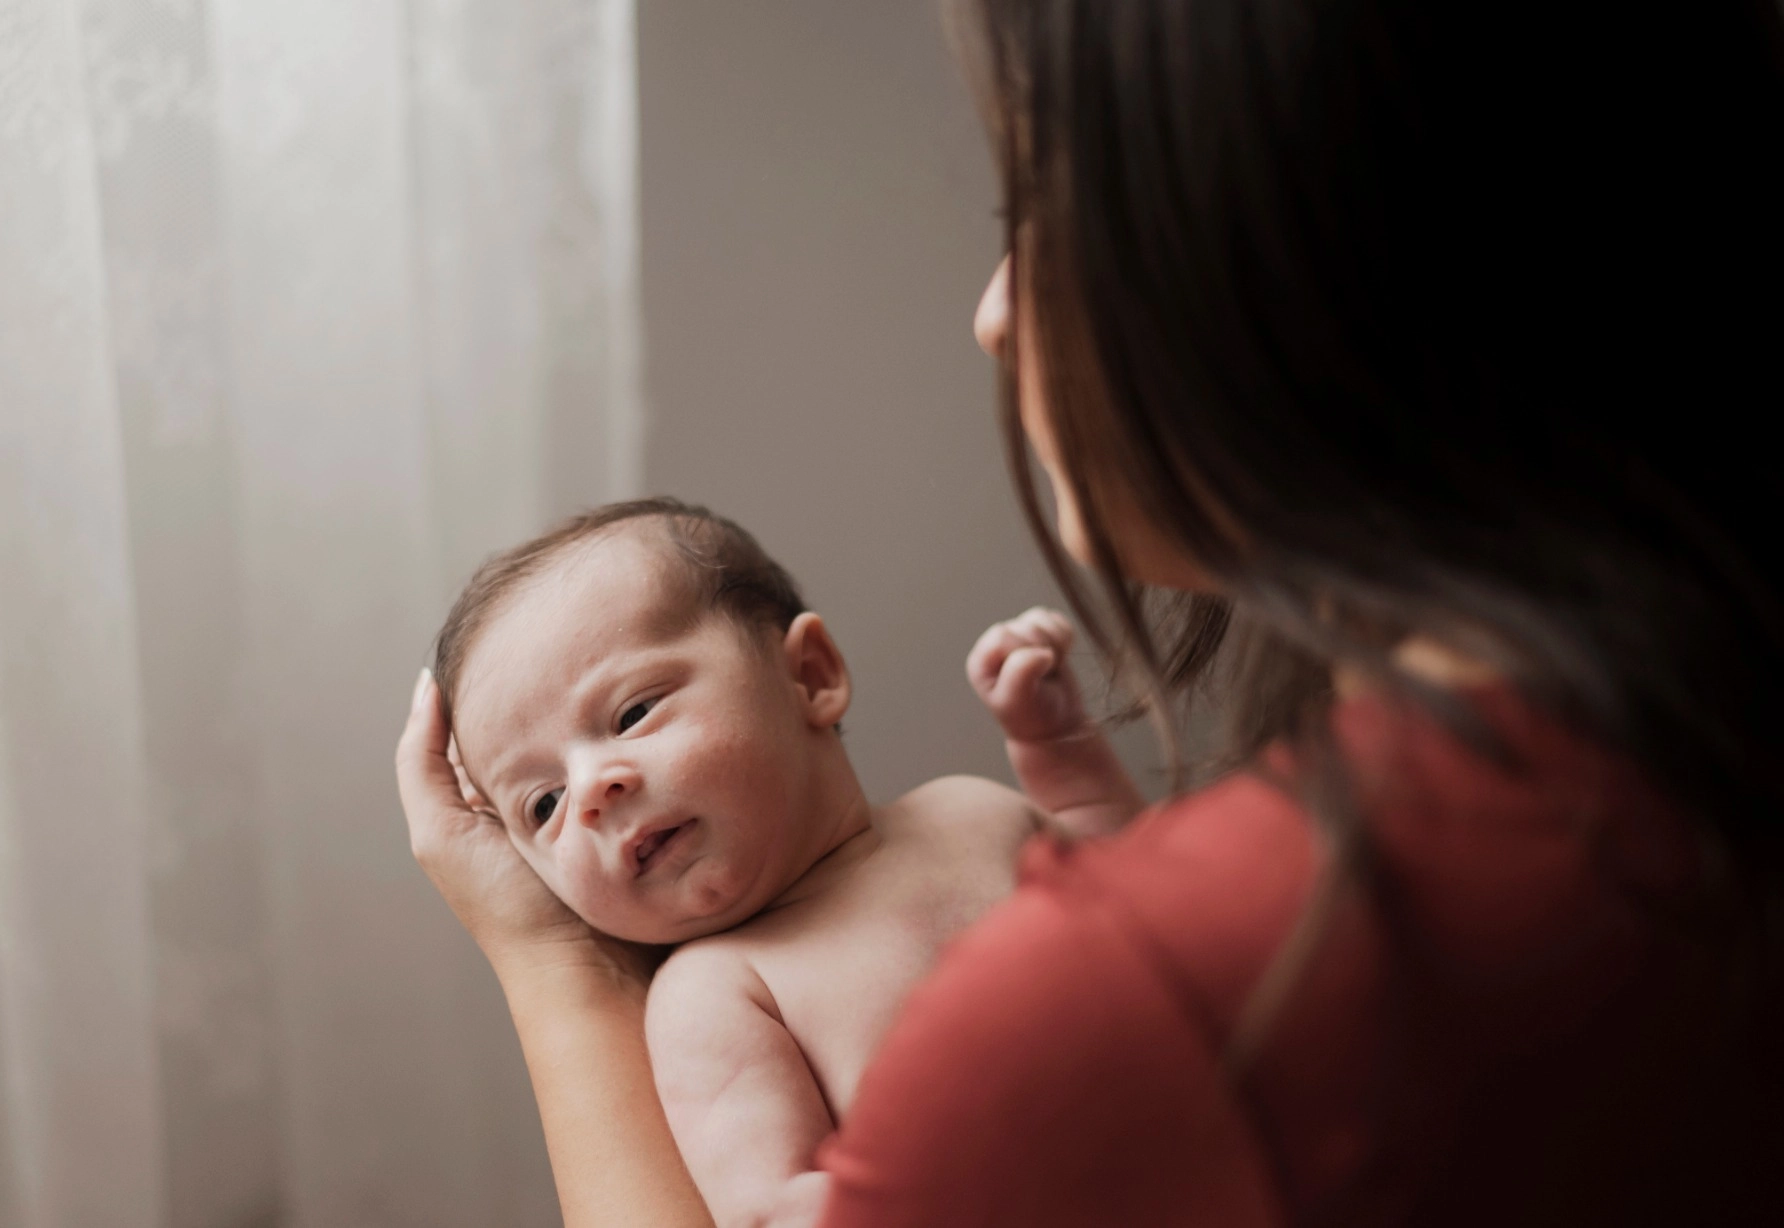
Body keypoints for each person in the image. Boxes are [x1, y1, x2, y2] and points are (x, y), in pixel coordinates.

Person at [396, 1, 1784, 1224]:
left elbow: (1121, 865)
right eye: (536, 806)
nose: (995, 312)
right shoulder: (1680, 735)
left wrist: (548, 975)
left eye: (1037, 211)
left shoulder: (1131, 972)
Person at [426, 497, 1133, 1227]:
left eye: (633, 713)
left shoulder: (970, 812)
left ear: (811, 676)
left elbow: (1152, 903)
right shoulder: (717, 996)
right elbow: (775, 1209)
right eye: (543, 805)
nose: (592, 794)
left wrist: (1064, 759)